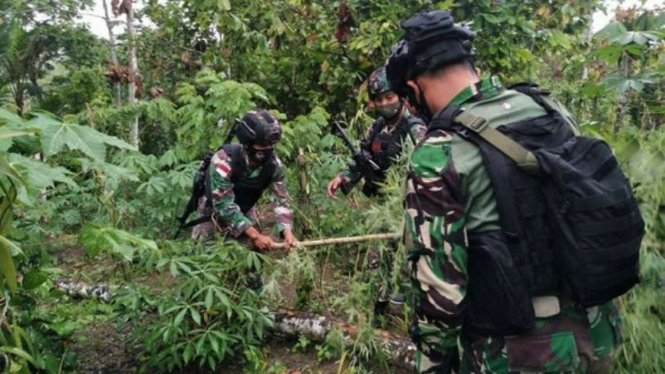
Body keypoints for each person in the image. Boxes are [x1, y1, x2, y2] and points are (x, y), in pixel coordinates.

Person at [386, 10, 627, 374]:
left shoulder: (438, 152)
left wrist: (434, 360)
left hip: (519, 352)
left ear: (414, 89)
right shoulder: (550, 108)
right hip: (597, 332)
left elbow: (440, 292)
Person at [192, 109, 298, 252]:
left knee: (252, 259)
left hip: (245, 209)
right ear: (248, 143)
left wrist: (287, 232)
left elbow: (281, 200)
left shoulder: (273, 166)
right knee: (204, 258)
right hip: (212, 212)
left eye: (270, 146)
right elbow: (223, 204)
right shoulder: (223, 161)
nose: (266, 150)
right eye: (262, 145)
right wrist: (255, 235)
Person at [327, 66, 427, 199]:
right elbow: (363, 158)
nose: (384, 103)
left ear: (400, 96)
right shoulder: (377, 127)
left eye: (389, 97)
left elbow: (426, 171)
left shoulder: (414, 129)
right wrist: (342, 178)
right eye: (379, 100)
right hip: (382, 203)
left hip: (408, 200)